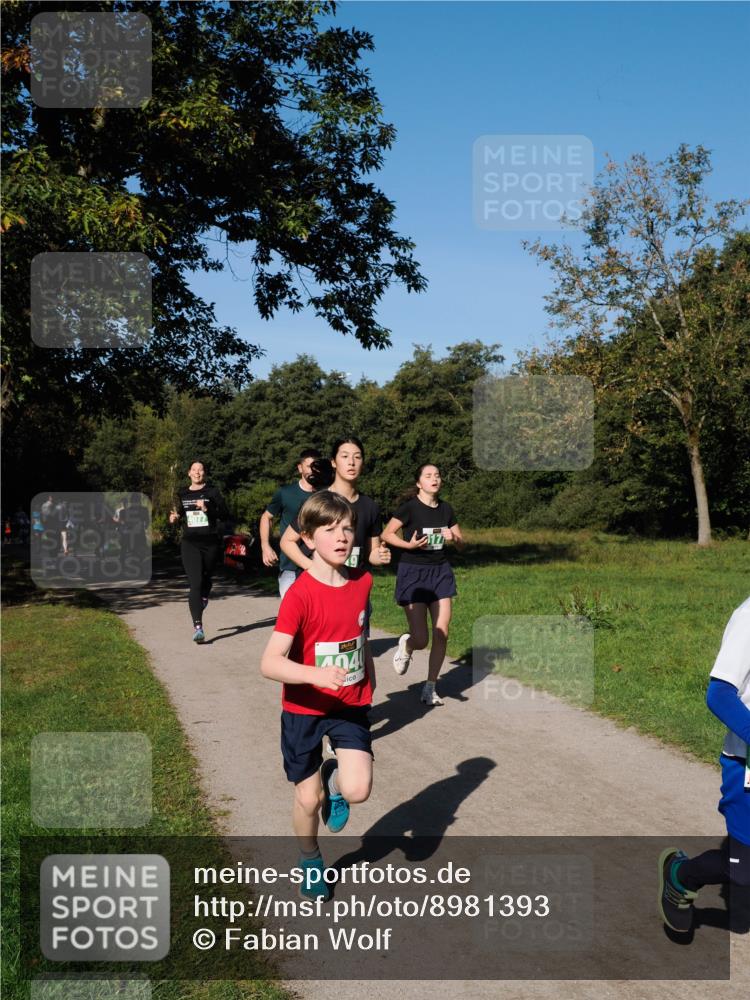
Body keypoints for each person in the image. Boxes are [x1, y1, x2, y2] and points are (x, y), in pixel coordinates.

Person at [261, 491, 376, 901]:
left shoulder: (363, 581)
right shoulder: (301, 594)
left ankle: (336, 779)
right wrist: (314, 675)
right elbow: (270, 663)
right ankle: (310, 859)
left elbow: (359, 634)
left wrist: (369, 678)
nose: (342, 537)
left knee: (359, 789)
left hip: (349, 704)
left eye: (347, 528)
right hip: (304, 708)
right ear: (309, 539)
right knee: (308, 798)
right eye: (330, 530)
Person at [658, 596, 750, 934]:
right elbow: (720, 694)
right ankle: (680, 875)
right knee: (743, 872)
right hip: (747, 766)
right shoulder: (748, 617)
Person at [381, 463, 464, 707]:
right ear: (419, 483)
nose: (434, 479)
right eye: (428, 476)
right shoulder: (409, 508)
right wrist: (409, 545)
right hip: (413, 574)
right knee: (421, 639)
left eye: (437, 475)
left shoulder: (446, 509)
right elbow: (387, 534)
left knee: (442, 631)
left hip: (440, 573)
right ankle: (407, 645)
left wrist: (454, 537)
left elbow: (461, 544)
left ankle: (430, 687)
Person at [279, 437, 390, 579]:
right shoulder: (317, 501)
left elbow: (372, 552)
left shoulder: (370, 507)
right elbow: (287, 541)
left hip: (353, 586)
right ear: (333, 462)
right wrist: (311, 567)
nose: (351, 462)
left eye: (357, 457)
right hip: (317, 586)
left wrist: (380, 556)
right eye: (344, 456)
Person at [169, 461, 231, 644]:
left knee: (206, 578)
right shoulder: (183, 493)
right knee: (195, 582)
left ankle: (204, 596)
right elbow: (181, 511)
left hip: (210, 543)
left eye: (200, 469)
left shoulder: (212, 492)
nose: (197, 472)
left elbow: (225, 514)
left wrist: (207, 509)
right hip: (190, 543)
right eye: (194, 470)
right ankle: (198, 628)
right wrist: (175, 517)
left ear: (204, 473)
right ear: (189, 473)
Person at [260, 448, 322, 598]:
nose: (313, 470)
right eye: (309, 466)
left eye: (316, 466)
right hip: (290, 566)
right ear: (300, 468)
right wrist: (265, 546)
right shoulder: (285, 493)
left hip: (320, 565)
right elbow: (266, 517)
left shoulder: (325, 494)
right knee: (293, 617)